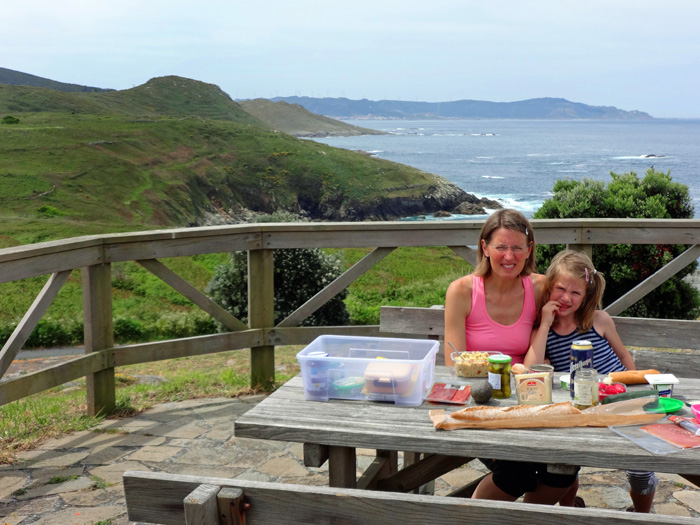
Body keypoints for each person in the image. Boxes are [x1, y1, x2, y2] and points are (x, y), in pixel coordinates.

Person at [445, 209, 577, 504]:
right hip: (483, 405)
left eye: (517, 247)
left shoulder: (542, 287)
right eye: (501, 247)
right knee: (517, 472)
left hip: (533, 401)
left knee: (564, 470)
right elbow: (453, 363)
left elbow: (581, 301)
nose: (509, 256)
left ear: (529, 250)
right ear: (484, 248)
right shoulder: (462, 291)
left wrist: (604, 321)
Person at [524, 249, 657, 512]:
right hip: (581, 407)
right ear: (549, 287)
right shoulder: (543, 332)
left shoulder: (599, 320)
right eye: (560, 289)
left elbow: (625, 361)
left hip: (619, 401)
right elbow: (531, 370)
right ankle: (569, 506)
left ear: (586, 296)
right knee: (565, 466)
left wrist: (640, 391)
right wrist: (545, 325)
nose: (566, 298)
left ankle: (642, 513)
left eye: (576, 293)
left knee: (641, 467)